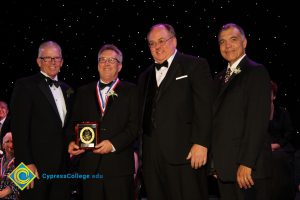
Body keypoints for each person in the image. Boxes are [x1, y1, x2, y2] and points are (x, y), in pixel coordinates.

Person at [138, 23, 213, 200]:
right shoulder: (144, 76)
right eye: (152, 43)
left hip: (185, 153)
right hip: (151, 157)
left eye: (161, 41)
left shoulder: (195, 65)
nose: (157, 47)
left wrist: (201, 143)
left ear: (174, 41)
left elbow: (205, 107)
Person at [67, 44, 139, 200]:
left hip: (119, 167)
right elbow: (73, 123)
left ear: (119, 66)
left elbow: (134, 126)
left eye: (111, 60)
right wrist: (72, 141)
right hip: (89, 167)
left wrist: (113, 144)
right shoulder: (83, 91)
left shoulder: (132, 90)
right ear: (97, 64)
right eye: (102, 60)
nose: (106, 63)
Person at [211, 23, 272, 200]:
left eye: (233, 39)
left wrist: (246, 163)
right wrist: (215, 164)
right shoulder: (219, 78)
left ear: (244, 43)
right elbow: (216, 122)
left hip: (247, 171)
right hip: (225, 170)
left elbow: (257, 121)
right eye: (222, 41)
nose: (227, 45)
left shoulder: (256, 72)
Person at [10, 41, 73, 200]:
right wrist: (25, 164)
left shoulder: (68, 89)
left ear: (62, 61)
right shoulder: (24, 85)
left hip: (63, 168)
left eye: (56, 58)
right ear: (38, 61)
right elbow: (18, 128)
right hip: (33, 167)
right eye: (47, 58)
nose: (52, 62)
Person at [269, 80, 295, 200]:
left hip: (281, 146)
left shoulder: (282, 112)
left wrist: (278, 145)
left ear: (273, 96)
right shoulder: (257, 113)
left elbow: (289, 132)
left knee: (280, 158)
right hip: (264, 147)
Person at [0, 132, 19, 200]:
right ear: (3, 145)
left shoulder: (25, 163)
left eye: (13, 141)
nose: (11, 145)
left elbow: (13, 188)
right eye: (7, 141)